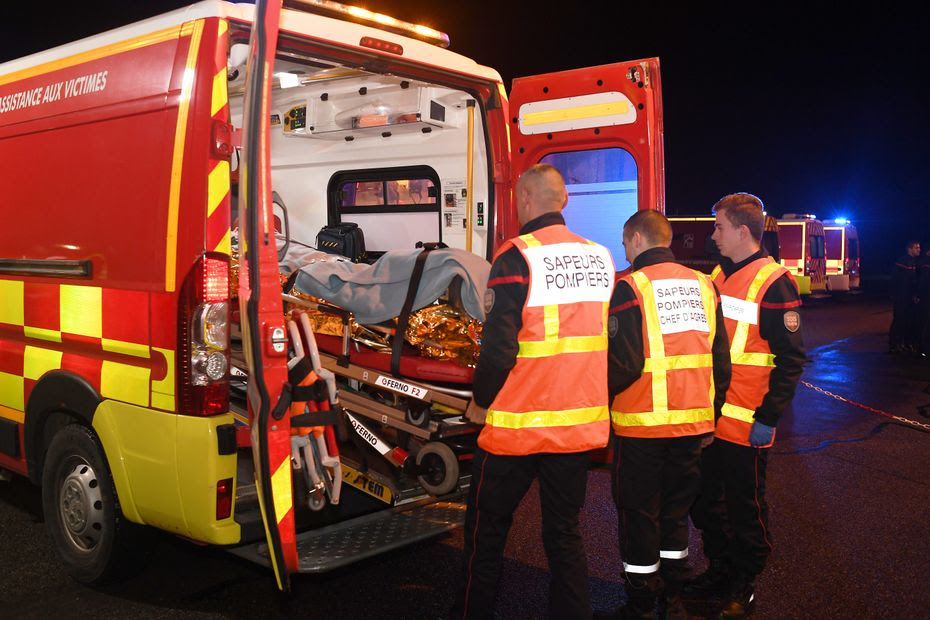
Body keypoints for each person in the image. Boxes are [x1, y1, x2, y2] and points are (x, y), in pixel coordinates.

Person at [452, 164, 615, 619]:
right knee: (564, 534)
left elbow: (499, 347)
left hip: (516, 428)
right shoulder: (600, 257)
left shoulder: (517, 256)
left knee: (487, 533)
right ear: (563, 201)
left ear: (524, 199)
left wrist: (480, 402)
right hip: (575, 428)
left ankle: (473, 612)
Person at [604, 210, 731, 619]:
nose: (624, 251)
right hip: (693, 426)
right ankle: (672, 599)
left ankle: (641, 603)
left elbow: (621, 365)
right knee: (675, 517)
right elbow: (721, 363)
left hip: (641, 427)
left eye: (624, 243)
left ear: (638, 238)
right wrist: (711, 415)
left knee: (639, 516)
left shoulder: (630, 288)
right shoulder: (704, 286)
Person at [686, 193, 806, 618]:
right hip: (711, 419)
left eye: (718, 226)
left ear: (741, 231)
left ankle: (744, 582)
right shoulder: (720, 274)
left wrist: (768, 418)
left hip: (746, 422)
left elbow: (791, 359)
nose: (712, 234)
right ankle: (720, 568)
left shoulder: (774, 282)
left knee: (745, 509)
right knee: (704, 503)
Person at [889, 240, 922, 354]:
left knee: (906, 321)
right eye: (916, 248)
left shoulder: (913, 262)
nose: (919, 250)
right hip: (901, 297)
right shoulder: (903, 262)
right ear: (909, 249)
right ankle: (894, 345)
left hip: (908, 297)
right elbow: (899, 281)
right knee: (899, 320)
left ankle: (902, 343)